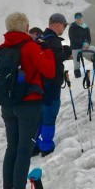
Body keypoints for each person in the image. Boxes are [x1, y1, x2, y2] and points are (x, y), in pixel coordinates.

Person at [0, 12, 55, 189]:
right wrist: (46, 50)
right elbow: (49, 71)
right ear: (25, 27)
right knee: (24, 150)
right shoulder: (30, 47)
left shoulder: (0, 49)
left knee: (12, 149)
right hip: (29, 106)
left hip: (7, 105)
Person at [33, 13, 72, 157]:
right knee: (49, 114)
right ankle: (46, 147)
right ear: (57, 24)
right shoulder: (54, 40)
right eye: (64, 25)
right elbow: (53, 61)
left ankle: (34, 146)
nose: (64, 28)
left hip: (38, 84)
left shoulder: (40, 39)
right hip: (51, 84)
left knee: (39, 116)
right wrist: (65, 53)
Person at [68, 12, 95, 78]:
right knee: (76, 64)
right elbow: (72, 39)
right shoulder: (72, 27)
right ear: (75, 19)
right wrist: (83, 44)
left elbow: (88, 38)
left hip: (85, 47)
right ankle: (78, 77)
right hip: (75, 47)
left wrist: (87, 44)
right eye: (77, 18)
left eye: (80, 17)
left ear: (82, 18)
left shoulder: (85, 27)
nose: (79, 19)